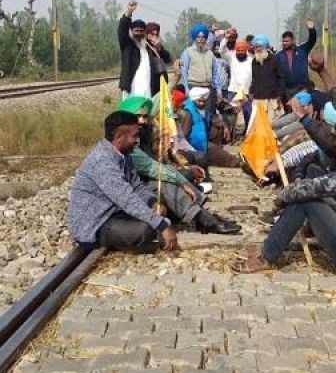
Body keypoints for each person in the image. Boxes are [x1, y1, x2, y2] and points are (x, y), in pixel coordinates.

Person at [233, 112, 336, 274]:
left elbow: (308, 190)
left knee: (305, 200)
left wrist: (282, 197)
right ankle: (307, 226)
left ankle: (267, 256)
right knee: (314, 171)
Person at [117, 96, 240, 235]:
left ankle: (202, 216)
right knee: (169, 183)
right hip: (136, 190)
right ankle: (203, 218)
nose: (141, 121)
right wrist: (181, 181)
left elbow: (163, 159)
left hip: (145, 184)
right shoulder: (128, 144)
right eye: (137, 117)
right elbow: (152, 168)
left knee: (176, 177)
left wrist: (183, 170)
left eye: (144, 117)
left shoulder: (143, 135)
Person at [68, 111, 177, 252]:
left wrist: (152, 202)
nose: (138, 140)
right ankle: (118, 242)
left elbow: (136, 187)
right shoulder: (103, 161)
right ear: (119, 137)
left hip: (114, 213)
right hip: (95, 224)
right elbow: (126, 199)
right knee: (147, 229)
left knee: (158, 212)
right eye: (134, 136)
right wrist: (162, 226)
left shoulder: (124, 155)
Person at [180, 24, 222, 125]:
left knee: (208, 116)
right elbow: (184, 72)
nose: (200, 39)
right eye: (198, 37)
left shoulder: (210, 54)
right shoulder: (188, 52)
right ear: (194, 38)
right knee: (194, 117)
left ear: (206, 39)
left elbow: (215, 73)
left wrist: (219, 91)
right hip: (193, 88)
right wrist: (186, 89)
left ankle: (207, 139)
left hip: (208, 89)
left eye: (203, 37)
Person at [248, 35, 286, 128]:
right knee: (257, 125)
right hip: (258, 98)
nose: (258, 49)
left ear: (265, 47)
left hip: (272, 98)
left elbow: (282, 78)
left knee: (272, 125)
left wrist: (280, 95)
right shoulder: (254, 61)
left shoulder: (275, 59)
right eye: (256, 47)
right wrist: (251, 92)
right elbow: (254, 78)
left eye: (260, 47)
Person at [118, 0, 152, 99]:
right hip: (131, 90)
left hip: (147, 90)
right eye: (136, 31)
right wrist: (129, 13)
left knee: (145, 114)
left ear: (145, 32)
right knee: (129, 114)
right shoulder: (127, 45)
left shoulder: (148, 47)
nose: (138, 33)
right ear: (131, 31)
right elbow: (122, 30)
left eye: (141, 31)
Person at [276, 18, 318, 98]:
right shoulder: (279, 55)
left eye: (287, 41)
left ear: (292, 41)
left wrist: (311, 29)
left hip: (303, 88)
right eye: (283, 41)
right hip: (287, 90)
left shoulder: (302, 50)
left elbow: (312, 40)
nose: (285, 43)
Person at [145, 22, 172, 94]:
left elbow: (168, 59)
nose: (154, 37)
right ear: (146, 34)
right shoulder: (144, 46)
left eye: (156, 35)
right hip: (149, 81)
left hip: (160, 81)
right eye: (152, 34)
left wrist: (159, 48)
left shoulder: (158, 46)